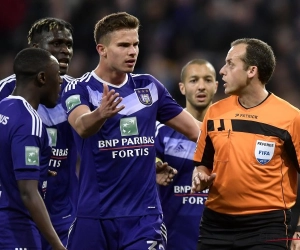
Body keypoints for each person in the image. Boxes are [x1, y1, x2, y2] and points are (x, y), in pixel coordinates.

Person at [61, 12, 199, 250]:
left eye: (135, 44)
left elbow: (195, 130)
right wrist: (100, 114)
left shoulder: (149, 87)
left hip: (143, 218)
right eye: (123, 45)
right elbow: (82, 126)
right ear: (102, 49)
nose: (133, 51)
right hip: (94, 215)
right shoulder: (79, 88)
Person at [192, 38, 300, 250]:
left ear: (252, 71)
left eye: (231, 64)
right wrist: (199, 176)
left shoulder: (290, 118)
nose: (222, 71)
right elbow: (203, 163)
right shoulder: (215, 113)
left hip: (268, 226)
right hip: (216, 226)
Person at [0, 17, 80, 249]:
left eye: (69, 44)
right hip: (18, 209)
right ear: (35, 50)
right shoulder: (6, 94)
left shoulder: (79, 93)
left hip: (61, 213)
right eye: (56, 43)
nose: (65, 50)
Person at [155, 59, 218, 250]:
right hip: (173, 236)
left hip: (219, 235)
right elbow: (147, 159)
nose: (201, 86)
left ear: (216, 86)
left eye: (207, 80)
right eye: (193, 80)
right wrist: (155, 165)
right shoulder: (162, 130)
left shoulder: (229, 130)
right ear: (182, 87)